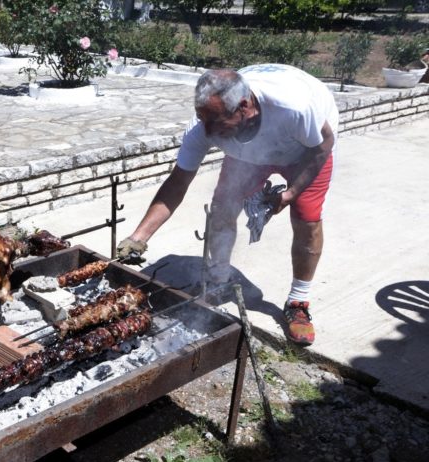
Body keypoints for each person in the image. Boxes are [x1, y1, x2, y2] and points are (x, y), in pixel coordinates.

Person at [116, 64, 338, 346]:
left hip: (306, 149)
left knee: (306, 218)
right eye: (202, 119)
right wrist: (138, 238)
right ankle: (219, 279)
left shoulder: (294, 108)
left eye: (217, 123)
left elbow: (324, 143)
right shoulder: (204, 129)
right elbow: (177, 183)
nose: (208, 132)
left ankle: (298, 302)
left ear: (244, 107)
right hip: (249, 152)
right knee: (222, 208)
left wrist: (291, 193)